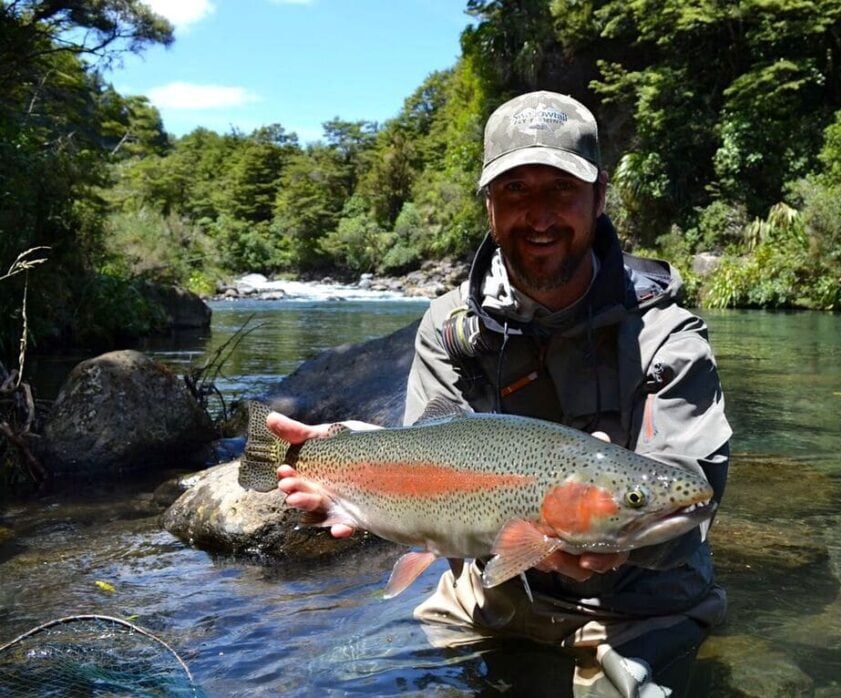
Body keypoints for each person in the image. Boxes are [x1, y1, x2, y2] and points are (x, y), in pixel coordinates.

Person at [271, 90, 732, 697]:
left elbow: (692, 494)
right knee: (330, 680)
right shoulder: (448, 325)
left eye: (561, 190)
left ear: (599, 197)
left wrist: (611, 547)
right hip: (490, 595)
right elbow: (429, 457)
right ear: (489, 204)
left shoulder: (666, 337)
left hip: (637, 608)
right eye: (516, 191)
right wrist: (356, 461)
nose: (538, 216)